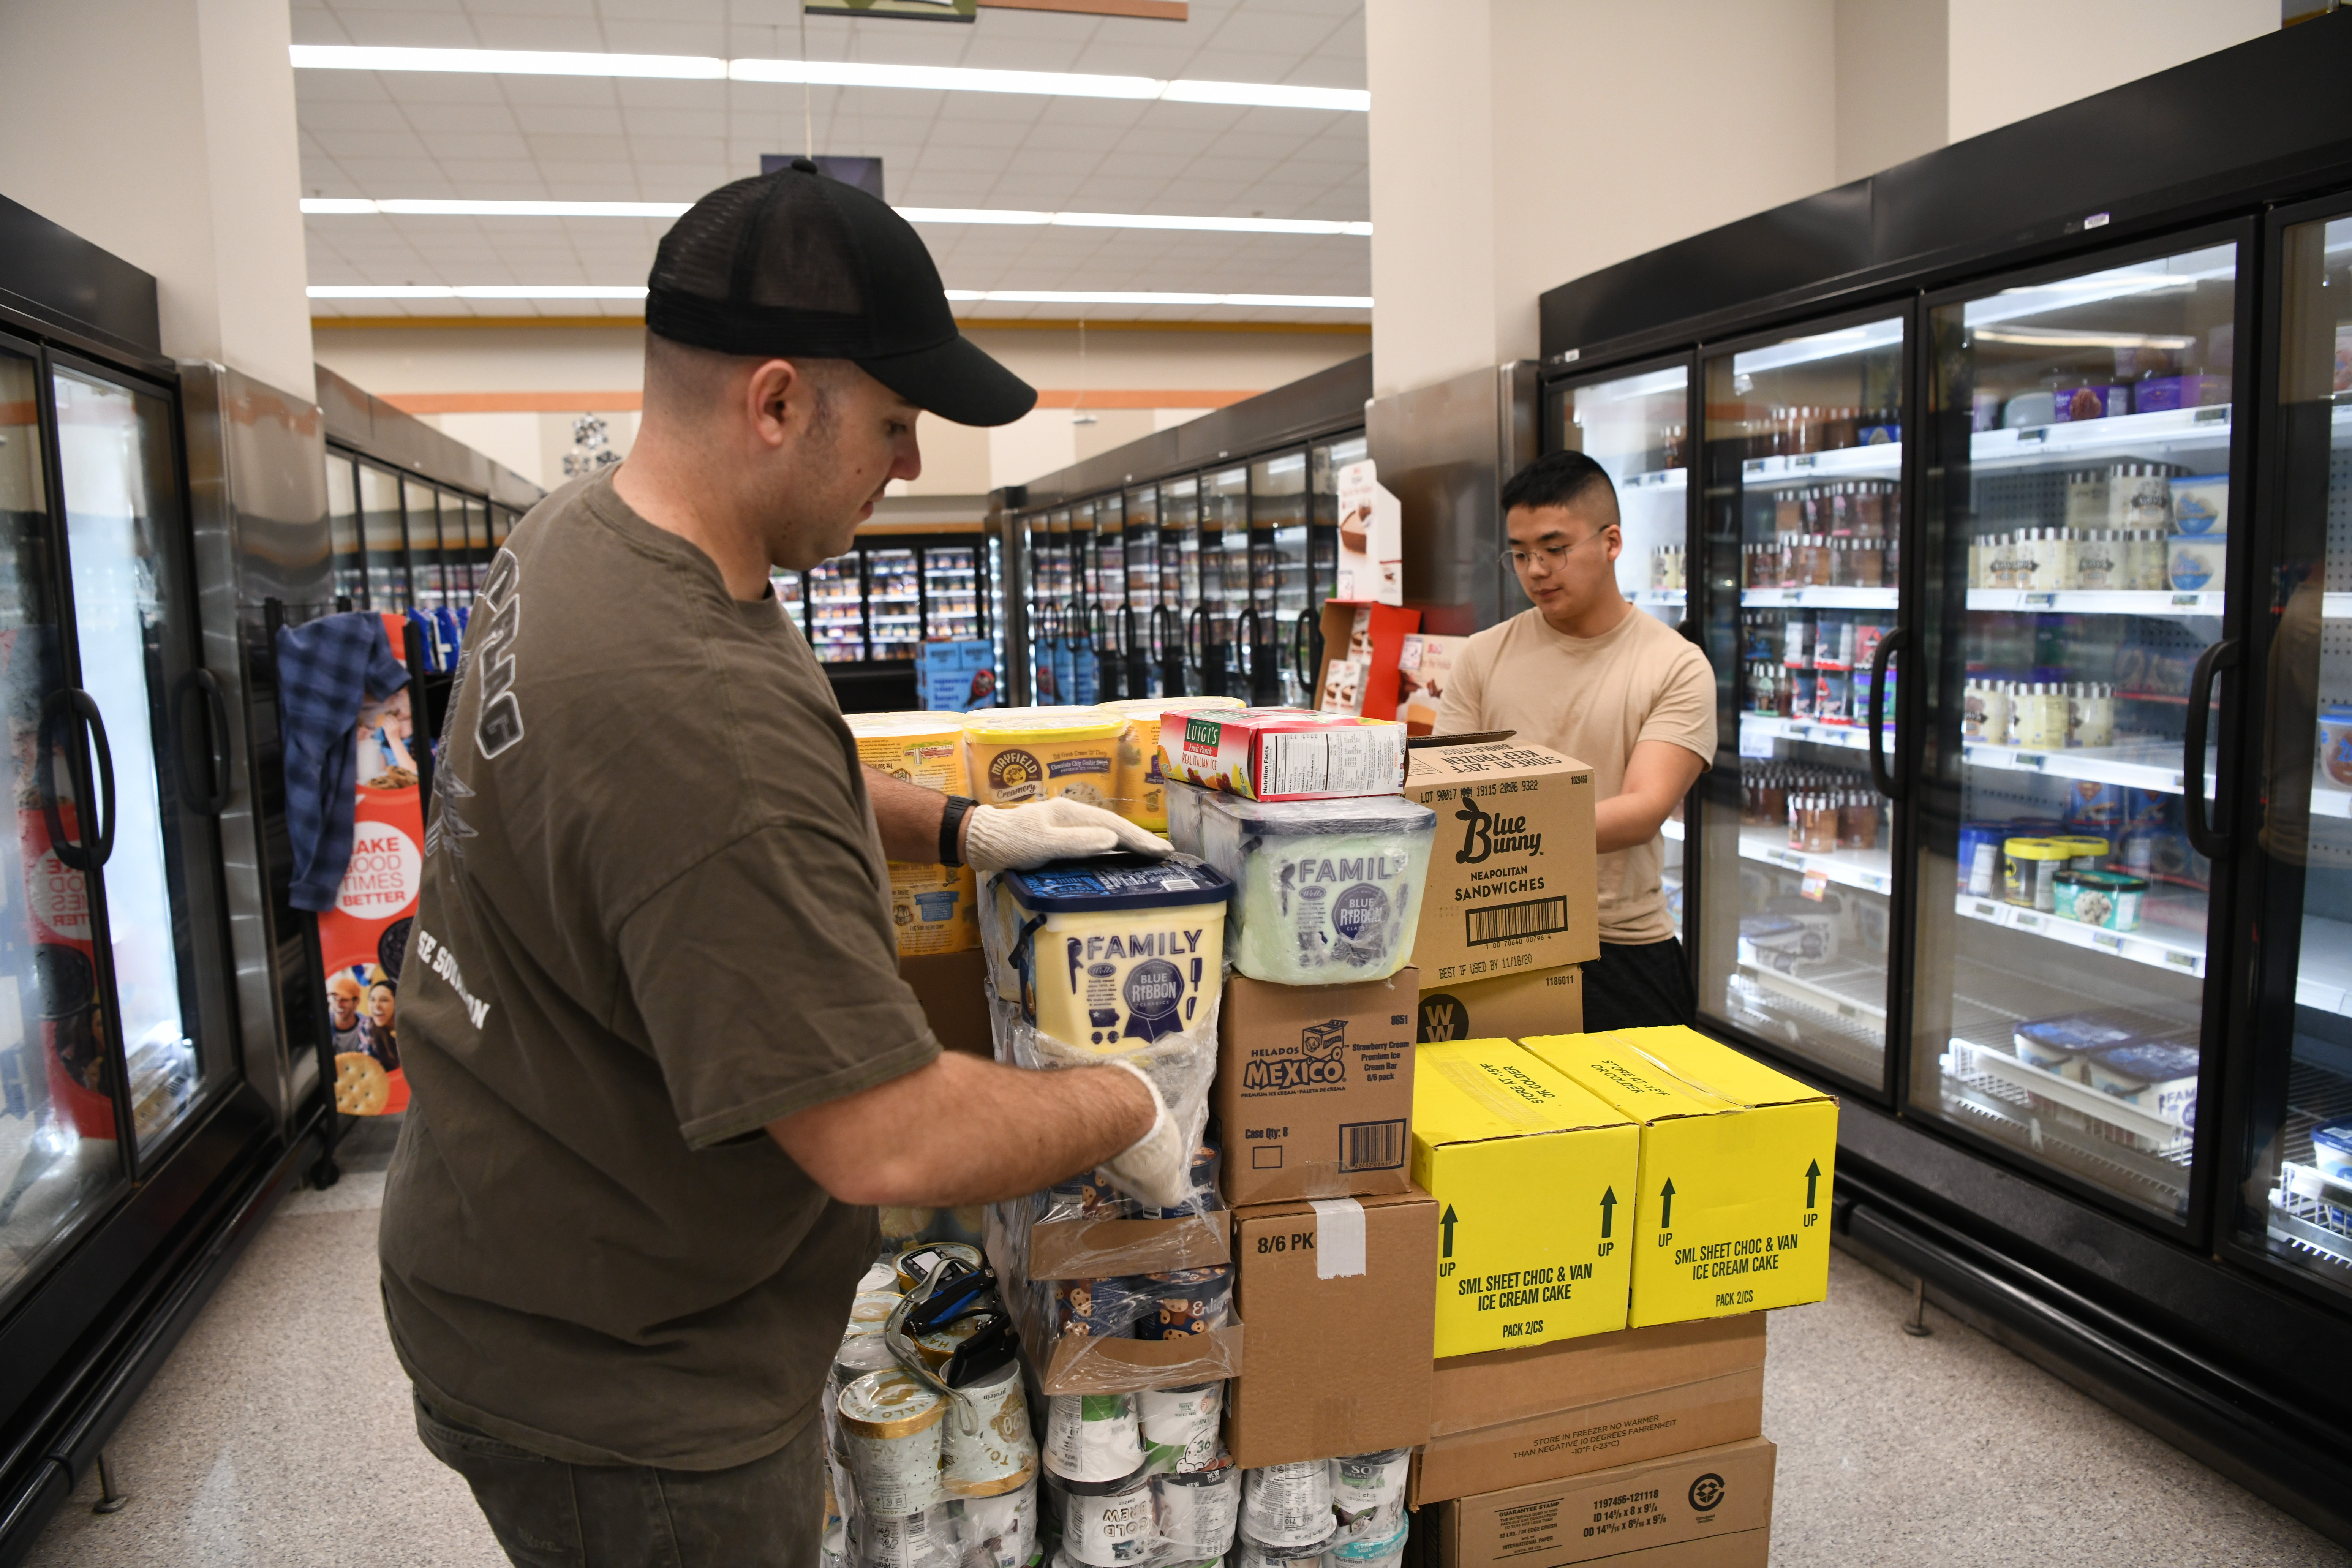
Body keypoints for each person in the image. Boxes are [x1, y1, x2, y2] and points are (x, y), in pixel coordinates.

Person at [379, 160, 1193, 1566]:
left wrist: (959, 826)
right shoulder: (692, 701)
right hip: (630, 1381)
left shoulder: (588, 535)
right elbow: (884, 1133)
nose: (913, 463)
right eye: (894, 421)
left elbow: (708, 788)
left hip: (510, 1224)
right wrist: (1121, 1100)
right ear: (774, 401)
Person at [1435, 449, 1716, 1031]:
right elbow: (1443, 786)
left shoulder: (1675, 666)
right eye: (1519, 554)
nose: (1536, 569)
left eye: (1555, 549)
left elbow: (1643, 811)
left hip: (1619, 941)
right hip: (1491, 931)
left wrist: (1509, 840)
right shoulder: (1485, 655)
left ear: (1611, 541)